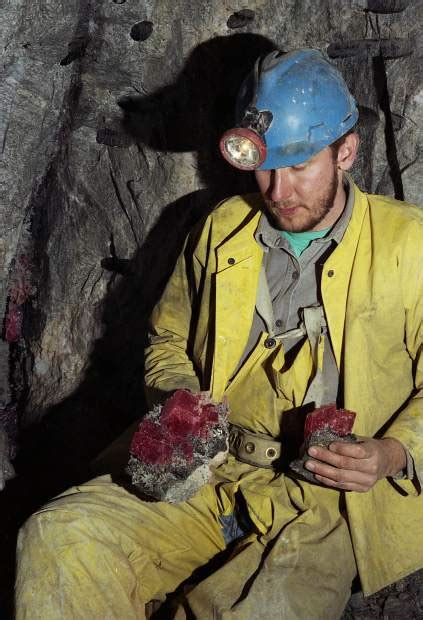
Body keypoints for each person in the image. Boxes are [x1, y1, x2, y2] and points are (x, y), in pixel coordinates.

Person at [16, 48, 423, 619]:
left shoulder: (411, 244)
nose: (278, 190)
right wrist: (180, 401)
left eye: (300, 165)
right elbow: (167, 338)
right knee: (61, 540)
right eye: (264, 166)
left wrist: (393, 452)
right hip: (207, 472)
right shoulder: (222, 229)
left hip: (324, 505)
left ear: (346, 152)